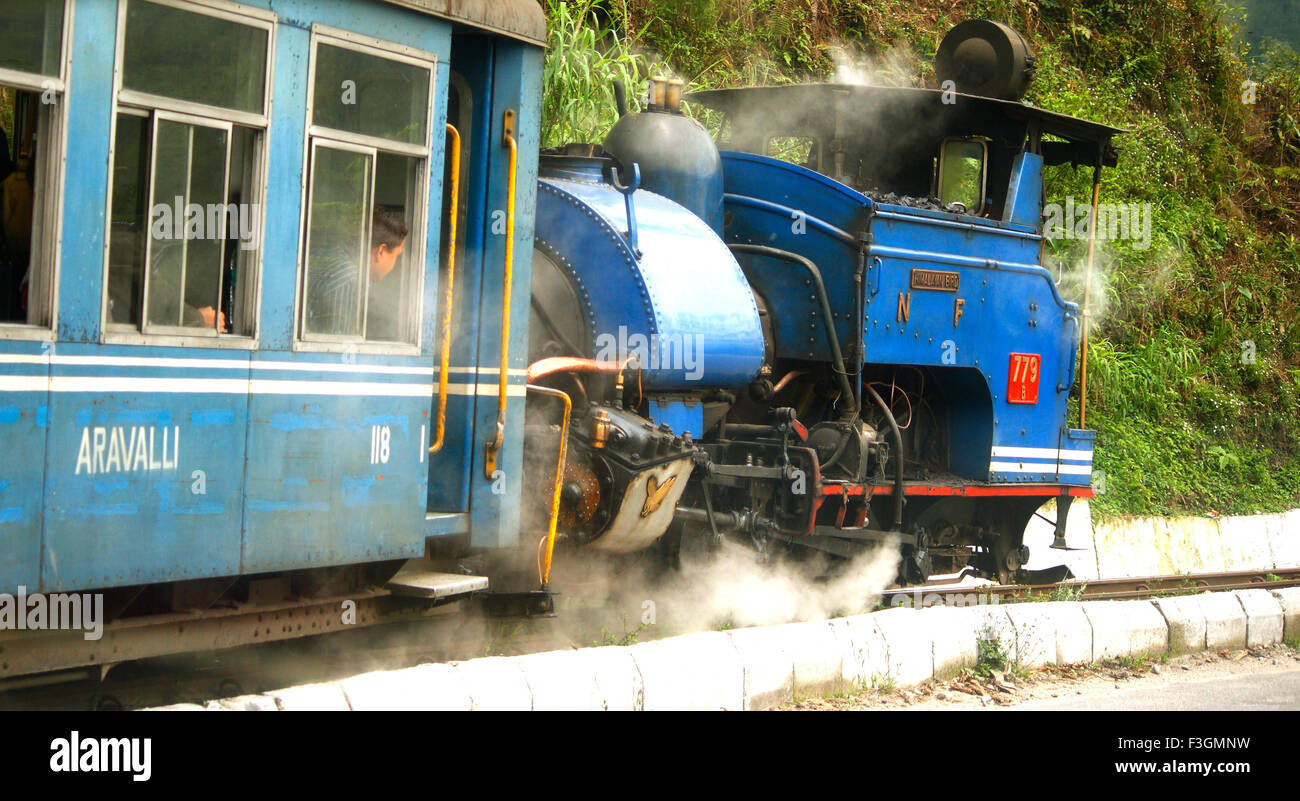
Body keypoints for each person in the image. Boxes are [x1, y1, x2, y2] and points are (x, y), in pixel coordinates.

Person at [305, 206, 408, 338]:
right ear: (380, 251)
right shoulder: (348, 280)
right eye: (396, 256)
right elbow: (337, 348)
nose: (395, 264)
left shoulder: (331, 256)